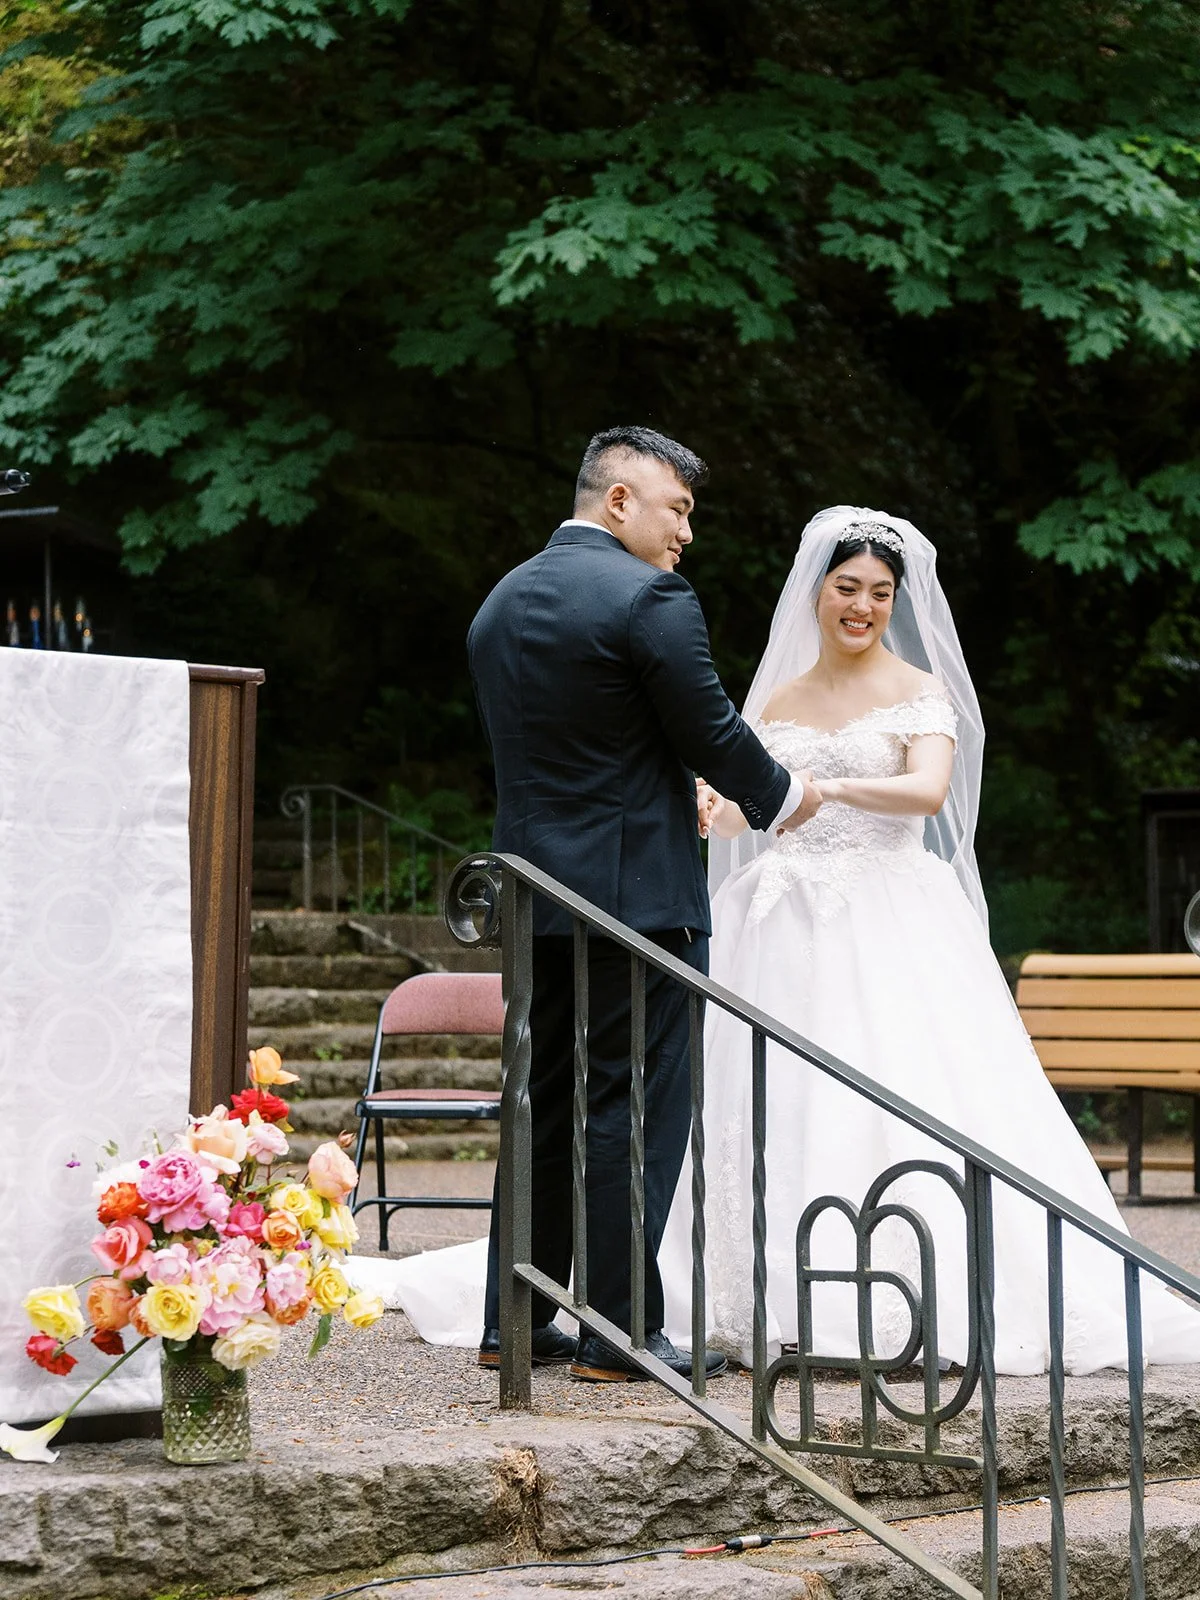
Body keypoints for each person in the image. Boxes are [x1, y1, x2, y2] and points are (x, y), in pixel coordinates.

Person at [655, 504, 1200, 1374]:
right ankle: (759, 1289)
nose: (862, 606)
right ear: (816, 593)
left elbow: (928, 792)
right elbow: (749, 815)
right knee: (773, 1092)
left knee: (902, 1079)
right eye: (846, 589)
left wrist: (825, 787)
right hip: (780, 920)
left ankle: (910, 1283)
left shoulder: (918, 689)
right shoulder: (776, 698)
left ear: (897, 599)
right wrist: (715, 810)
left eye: (879, 591)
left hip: (891, 914)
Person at [462, 425, 817, 1383]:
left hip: (532, 901)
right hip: (637, 909)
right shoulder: (648, 597)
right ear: (619, 500)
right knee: (630, 1106)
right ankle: (620, 1334)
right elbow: (709, 729)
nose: (686, 534)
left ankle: (517, 1321)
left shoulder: (499, 605)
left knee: (539, 1101)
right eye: (679, 509)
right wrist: (784, 797)